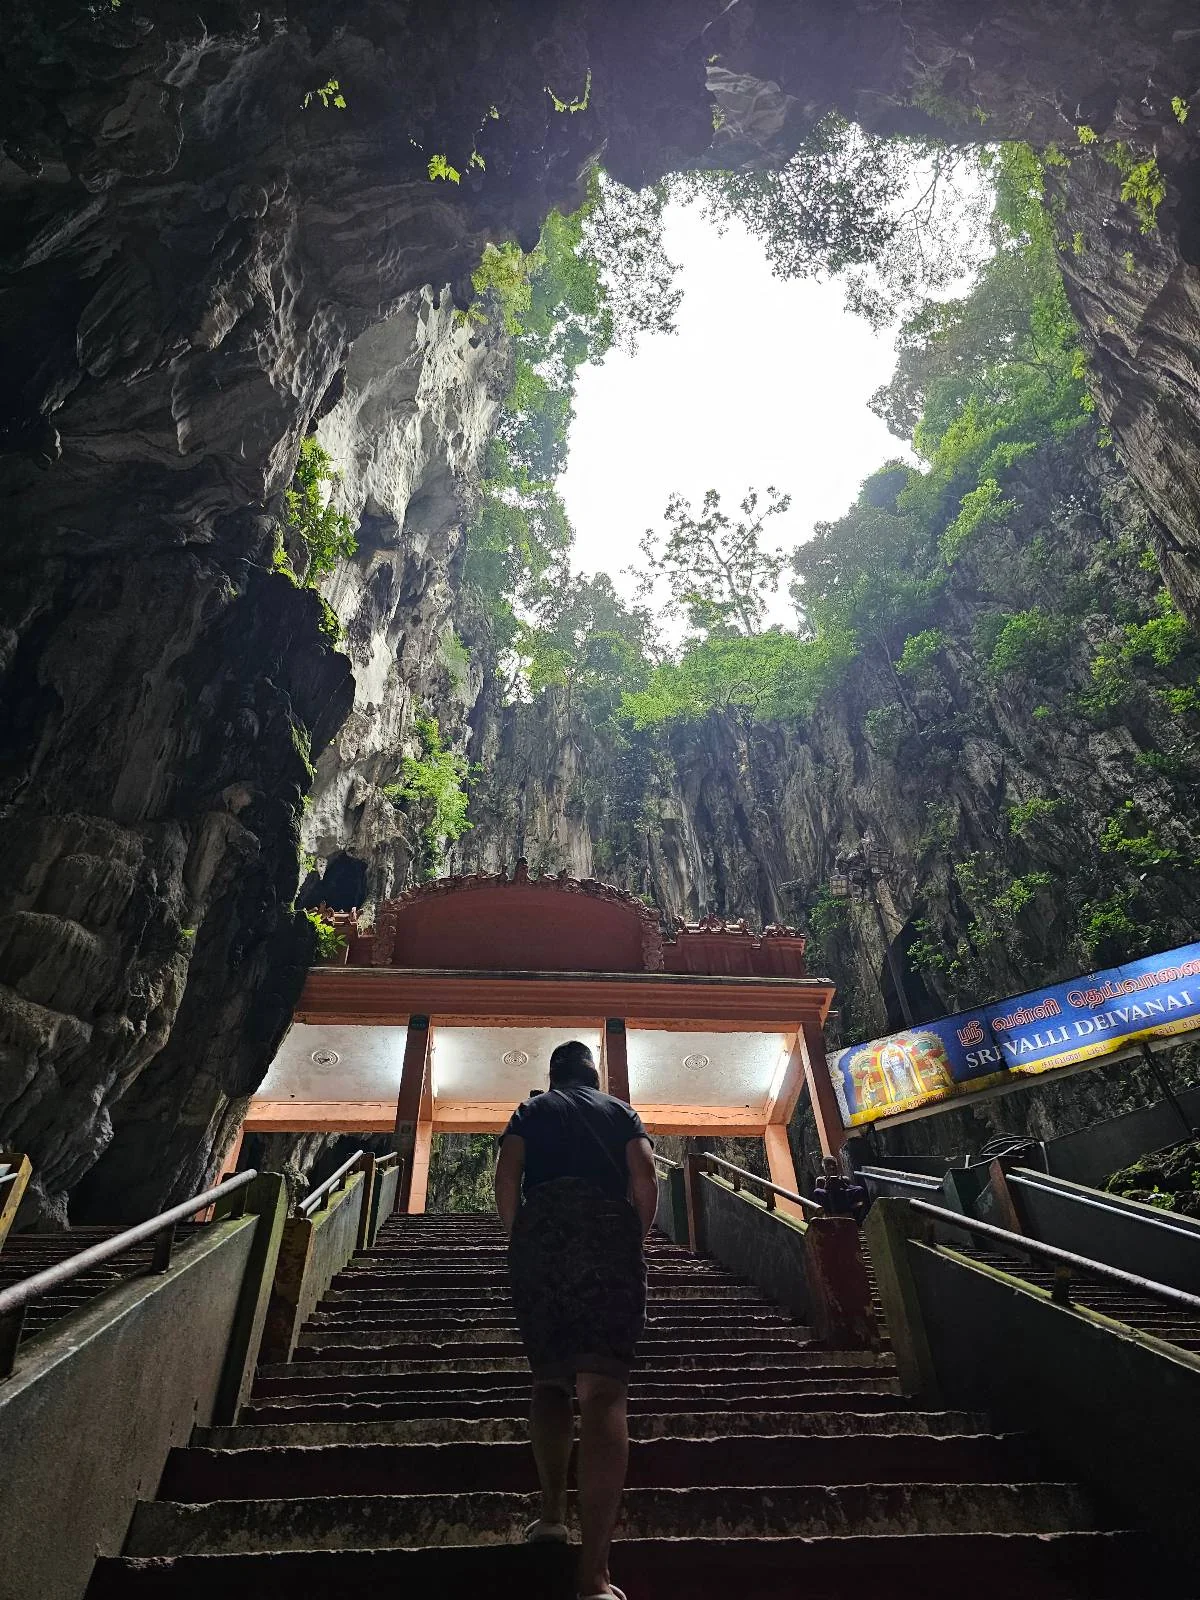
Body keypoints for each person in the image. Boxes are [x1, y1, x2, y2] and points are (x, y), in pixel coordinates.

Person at [495, 1039, 658, 1600]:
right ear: (592, 1076)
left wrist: (518, 1237)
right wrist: (636, 1235)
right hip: (609, 1236)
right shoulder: (619, 1111)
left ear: (554, 1075)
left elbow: (507, 1174)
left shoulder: (533, 1109)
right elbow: (645, 1176)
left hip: (543, 1238)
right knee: (604, 1392)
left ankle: (551, 1516)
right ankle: (593, 1575)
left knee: (548, 1381)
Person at [813, 1154, 870, 1224]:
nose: (831, 1167)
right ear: (824, 1168)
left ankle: (857, 1217)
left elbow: (853, 1189)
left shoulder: (844, 1179)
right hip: (830, 1203)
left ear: (836, 1166)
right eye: (828, 1166)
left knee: (859, 1189)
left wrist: (843, 1184)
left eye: (833, 1165)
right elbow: (819, 1194)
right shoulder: (821, 1180)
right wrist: (826, 1186)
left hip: (844, 1202)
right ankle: (829, 1215)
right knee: (817, 1192)